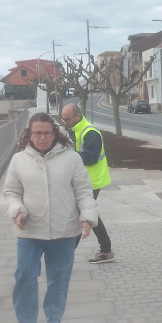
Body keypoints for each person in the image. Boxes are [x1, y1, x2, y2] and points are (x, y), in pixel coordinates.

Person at [3, 113, 98, 323]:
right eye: (37, 132)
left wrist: (87, 217)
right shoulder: (18, 160)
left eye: (47, 132)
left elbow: (84, 191)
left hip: (63, 230)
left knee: (58, 278)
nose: (42, 137)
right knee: (24, 276)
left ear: (55, 134)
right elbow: (11, 192)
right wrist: (17, 211)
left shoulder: (71, 158)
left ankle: (54, 319)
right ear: (30, 134)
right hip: (29, 230)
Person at [59, 103, 115, 263]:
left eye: (67, 119)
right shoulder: (75, 129)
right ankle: (106, 250)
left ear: (77, 115)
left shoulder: (90, 132)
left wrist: (69, 154)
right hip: (84, 181)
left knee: (80, 215)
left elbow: (90, 157)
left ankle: (65, 258)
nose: (65, 122)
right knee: (89, 213)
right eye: (63, 119)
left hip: (92, 181)